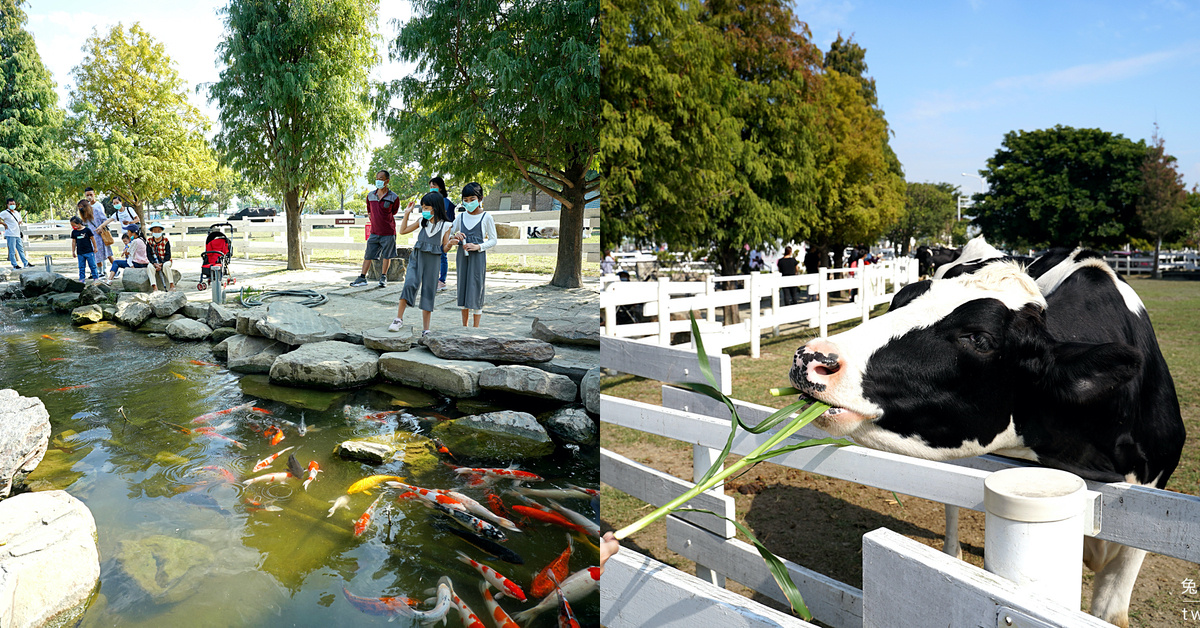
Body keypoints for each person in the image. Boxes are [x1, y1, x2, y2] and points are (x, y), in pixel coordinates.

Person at [389, 191, 451, 335]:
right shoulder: (421, 222)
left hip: (433, 260)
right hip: (417, 257)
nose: (424, 210)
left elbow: (445, 247)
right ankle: (398, 319)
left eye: (427, 207)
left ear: (435, 207)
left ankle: (426, 329)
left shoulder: (446, 225)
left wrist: (452, 243)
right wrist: (407, 213)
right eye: (423, 207)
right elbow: (403, 231)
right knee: (409, 284)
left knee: (429, 292)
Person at [446, 182, 496, 327]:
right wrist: (455, 236)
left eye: (472, 199)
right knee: (463, 286)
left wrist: (478, 246)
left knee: (476, 287)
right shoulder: (460, 217)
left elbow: (493, 240)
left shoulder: (486, 217)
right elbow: (447, 234)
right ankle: (464, 326)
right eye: (465, 200)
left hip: (478, 257)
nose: (468, 203)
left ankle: (476, 327)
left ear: (480, 199)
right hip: (462, 257)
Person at [350, 170, 400, 288]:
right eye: (377, 178)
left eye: (381, 178)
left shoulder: (394, 197)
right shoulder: (370, 195)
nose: (378, 181)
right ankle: (362, 277)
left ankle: (383, 277)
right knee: (368, 255)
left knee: (386, 256)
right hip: (374, 232)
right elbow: (369, 211)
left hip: (388, 232)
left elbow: (394, 211)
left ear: (387, 181)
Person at [430, 176, 456, 291]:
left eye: (434, 186)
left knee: (442, 255)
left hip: (443, 232)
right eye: (430, 186)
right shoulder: (430, 201)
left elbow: (450, 219)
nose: (432, 188)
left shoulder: (446, 202)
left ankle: (441, 280)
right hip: (431, 232)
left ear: (440, 188)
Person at [79, 192, 115, 267]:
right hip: (93, 237)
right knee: (96, 255)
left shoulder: (96, 210)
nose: (81, 209)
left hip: (101, 235)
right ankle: (100, 272)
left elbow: (105, 220)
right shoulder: (84, 215)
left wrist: (101, 227)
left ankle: (115, 269)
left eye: (82, 207)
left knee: (108, 254)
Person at [2, 199, 32, 269]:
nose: (12, 205)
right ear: (7, 205)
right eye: (10, 204)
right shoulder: (5, 213)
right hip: (10, 234)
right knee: (12, 251)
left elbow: (20, 220)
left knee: (21, 249)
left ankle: (26, 263)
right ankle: (14, 265)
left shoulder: (16, 212)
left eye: (13, 204)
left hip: (17, 234)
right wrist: (4, 224)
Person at [69, 213, 99, 282]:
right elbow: (74, 242)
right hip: (80, 252)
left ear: (79, 224)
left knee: (93, 266)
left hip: (89, 251)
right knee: (81, 267)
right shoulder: (74, 232)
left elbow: (92, 239)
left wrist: (95, 247)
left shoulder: (87, 230)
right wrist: (73, 251)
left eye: (74, 225)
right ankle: (82, 279)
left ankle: (95, 278)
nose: (73, 227)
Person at [146, 222, 174, 292]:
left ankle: (172, 285)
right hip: (154, 262)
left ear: (161, 231)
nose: (157, 232)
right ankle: (154, 287)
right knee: (149, 267)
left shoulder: (166, 241)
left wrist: (162, 263)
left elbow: (168, 254)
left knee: (166, 266)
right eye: (155, 231)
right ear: (152, 232)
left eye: (159, 231)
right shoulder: (149, 241)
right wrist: (154, 263)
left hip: (165, 261)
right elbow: (149, 254)